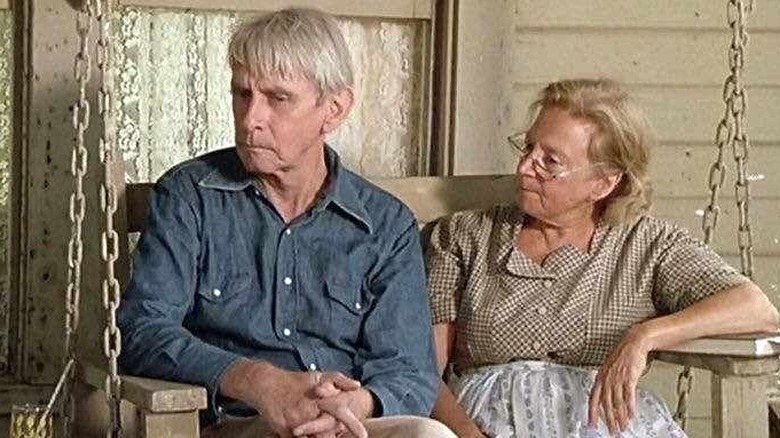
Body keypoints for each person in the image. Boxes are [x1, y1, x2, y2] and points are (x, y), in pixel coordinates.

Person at [117, 8, 456, 438]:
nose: (250, 118)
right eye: (243, 94)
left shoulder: (384, 226)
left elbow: (409, 370)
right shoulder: (191, 197)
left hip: (348, 427)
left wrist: (355, 404)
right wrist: (256, 381)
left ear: (333, 110)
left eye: (277, 98)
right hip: (237, 424)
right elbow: (141, 329)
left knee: (430, 436)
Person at [425, 78, 780, 438]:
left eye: (550, 161)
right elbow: (422, 370)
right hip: (479, 427)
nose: (525, 168)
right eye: (528, 148)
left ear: (604, 183)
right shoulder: (463, 237)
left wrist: (645, 336)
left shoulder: (646, 244)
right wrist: (468, 435)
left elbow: (757, 309)